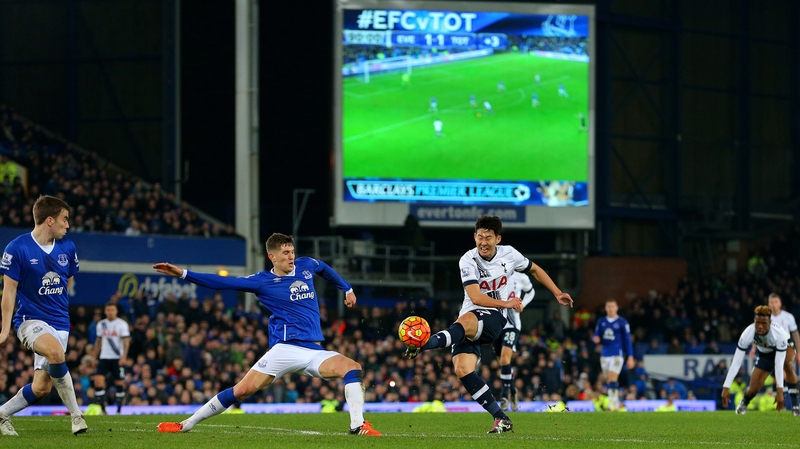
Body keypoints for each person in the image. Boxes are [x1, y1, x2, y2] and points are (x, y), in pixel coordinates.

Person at [154, 233, 381, 436]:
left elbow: (323, 268)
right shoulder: (262, 281)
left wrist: (347, 288)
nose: (291, 256)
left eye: (292, 251)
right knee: (241, 391)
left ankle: (357, 426)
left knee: (353, 367)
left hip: (314, 350)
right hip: (285, 349)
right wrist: (184, 274)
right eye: (285, 253)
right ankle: (187, 424)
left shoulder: (306, 265)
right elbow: (222, 282)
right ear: (272, 256)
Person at [404, 216, 573, 433]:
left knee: (464, 322)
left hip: (495, 318)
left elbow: (535, 269)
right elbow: (475, 297)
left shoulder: (509, 254)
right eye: (480, 236)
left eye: (488, 237)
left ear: (498, 239)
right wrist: (508, 302)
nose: (483, 242)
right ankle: (501, 418)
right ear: (474, 236)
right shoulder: (468, 260)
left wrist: (557, 293)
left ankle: (422, 344)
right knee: (462, 369)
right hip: (472, 316)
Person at [0, 195, 88, 436]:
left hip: (60, 322)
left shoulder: (68, 248)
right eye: (65, 219)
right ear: (50, 220)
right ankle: (77, 416)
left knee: (41, 387)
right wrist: (4, 329)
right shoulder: (17, 248)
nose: (68, 225)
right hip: (30, 321)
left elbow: (68, 280)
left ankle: (1, 414)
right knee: (57, 354)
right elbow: (9, 292)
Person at [721, 305, 788, 414]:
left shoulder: (780, 335)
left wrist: (780, 390)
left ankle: (794, 403)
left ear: (770, 323)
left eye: (764, 324)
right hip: (765, 355)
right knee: (753, 389)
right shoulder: (748, 333)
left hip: (784, 350)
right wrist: (726, 386)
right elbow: (736, 363)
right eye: (757, 323)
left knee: (788, 363)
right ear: (754, 321)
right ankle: (744, 402)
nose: (760, 326)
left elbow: (779, 364)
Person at [494, 271, 534, 412]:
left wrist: (523, 304)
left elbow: (531, 292)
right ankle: (513, 389)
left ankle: (504, 396)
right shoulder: (493, 274)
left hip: (512, 323)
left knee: (505, 359)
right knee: (503, 362)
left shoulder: (521, 277)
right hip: (496, 324)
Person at [592, 299, 635, 411]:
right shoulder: (601, 321)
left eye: (613, 306)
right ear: (606, 308)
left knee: (612, 379)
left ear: (617, 308)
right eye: (608, 306)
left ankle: (612, 405)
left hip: (617, 354)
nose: (610, 309)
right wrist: (595, 339)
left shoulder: (622, 322)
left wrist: (630, 357)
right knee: (609, 381)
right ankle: (615, 403)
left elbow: (627, 340)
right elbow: (596, 334)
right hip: (605, 354)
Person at [91, 302, 131, 414]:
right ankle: (104, 409)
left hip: (117, 357)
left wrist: (124, 357)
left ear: (116, 311)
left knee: (119, 383)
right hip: (104, 357)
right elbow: (98, 341)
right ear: (105, 311)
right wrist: (94, 357)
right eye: (108, 310)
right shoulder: (101, 324)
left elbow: (126, 341)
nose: (110, 312)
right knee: (98, 382)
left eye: (112, 310)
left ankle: (118, 410)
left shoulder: (122, 324)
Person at [767, 292, 800, 414]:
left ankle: (795, 405)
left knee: (788, 367)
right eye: (771, 302)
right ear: (768, 304)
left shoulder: (788, 317)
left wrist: (799, 352)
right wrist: (754, 349)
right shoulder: (765, 317)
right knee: (777, 376)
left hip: (787, 345)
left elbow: (796, 335)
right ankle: (784, 403)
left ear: (780, 303)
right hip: (772, 348)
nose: (774, 305)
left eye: (776, 302)